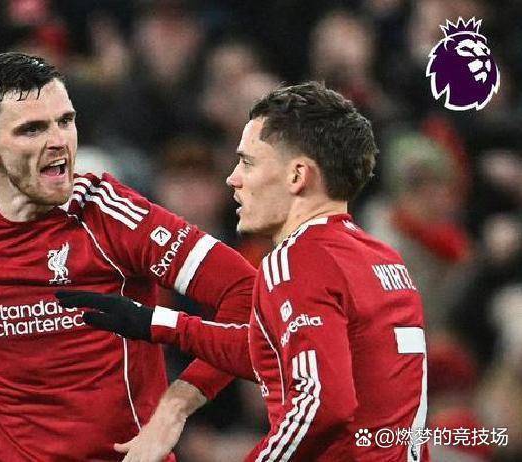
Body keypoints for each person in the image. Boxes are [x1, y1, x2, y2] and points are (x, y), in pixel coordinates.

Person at [0, 52, 256, 462]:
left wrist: (175, 408)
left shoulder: (112, 216)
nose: (58, 141)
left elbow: (249, 295)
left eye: (65, 121)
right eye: (32, 129)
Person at [59, 82, 429, 461]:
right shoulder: (383, 259)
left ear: (297, 176)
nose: (233, 178)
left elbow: (321, 405)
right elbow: (277, 354)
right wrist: (157, 323)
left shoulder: (298, 259)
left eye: (248, 163)